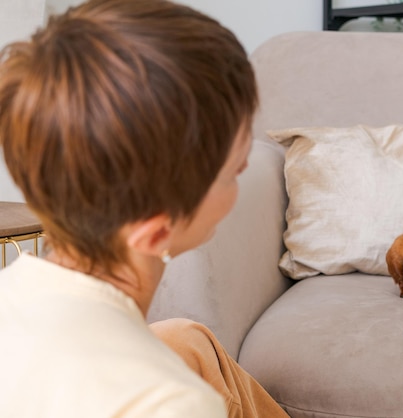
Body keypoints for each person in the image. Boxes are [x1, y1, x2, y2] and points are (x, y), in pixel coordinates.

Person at [0, 0, 288, 417]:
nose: (244, 170)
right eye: (233, 171)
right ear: (156, 231)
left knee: (188, 338)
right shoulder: (170, 402)